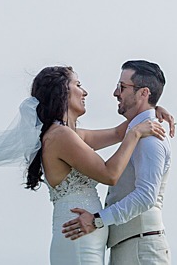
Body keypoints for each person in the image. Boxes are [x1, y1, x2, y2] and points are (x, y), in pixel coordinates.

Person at [0, 63, 175, 265]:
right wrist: (137, 130)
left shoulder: (69, 135)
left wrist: (150, 107)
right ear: (62, 92)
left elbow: (117, 133)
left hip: (87, 232)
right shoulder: (61, 136)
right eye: (78, 84)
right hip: (78, 232)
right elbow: (109, 174)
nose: (85, 90)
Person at [60, 60, 171, 264]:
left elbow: (146, 196)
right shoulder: (137, 131)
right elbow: (117, 132)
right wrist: (153, 109)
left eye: (122, 86)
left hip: (141, 248)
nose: (115, 92)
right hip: (129, 245)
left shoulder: (151, 137)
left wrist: (98, 220)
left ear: (143, 93)